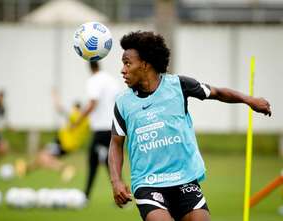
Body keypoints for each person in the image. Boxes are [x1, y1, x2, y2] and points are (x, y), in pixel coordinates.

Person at [108, 31, 272, 221]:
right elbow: (116, 143)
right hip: (148, 183)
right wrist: (116, 180)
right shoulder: (123, 102)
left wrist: (250, 100)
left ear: (145, 64)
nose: (122, 69)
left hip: (185, 179)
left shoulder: (179, 85)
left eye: (127, 63)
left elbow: (217, 92)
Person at [16, 91, 90, 183]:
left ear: (75, 108)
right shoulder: (87, 120)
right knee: (42, 157)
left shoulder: (76, 114)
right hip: (70, 145)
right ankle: (27, 169)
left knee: (44, 157)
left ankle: (65, 168)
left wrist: (55, 96)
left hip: (63, 142)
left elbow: (59, 108)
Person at [73, 61, 120, 200]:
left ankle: (86, 197)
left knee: (95, 161)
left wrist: (78, 120)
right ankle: (122, 194)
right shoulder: (112, 79)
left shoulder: (94, 80)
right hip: (113, 127)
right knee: (107, 162)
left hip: (101, 129)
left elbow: (93, 102)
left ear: (90, 68)